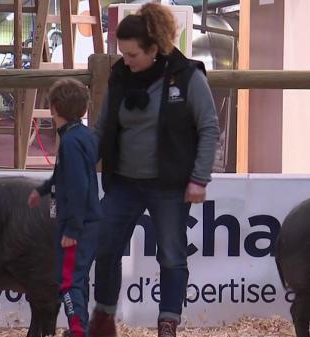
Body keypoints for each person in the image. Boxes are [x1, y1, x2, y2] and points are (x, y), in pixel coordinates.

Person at [89, 3, 220, 337]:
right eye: (123, 54)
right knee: (105, 249)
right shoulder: (119, 76)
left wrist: (199, 179)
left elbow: (208, 128)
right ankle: (103, 318)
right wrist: (80, 166)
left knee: (172, 256)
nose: (126, 60)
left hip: (170, 186)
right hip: (122, 184)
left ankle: (168, 322)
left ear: (153, 49)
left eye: (132, 54)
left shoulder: (188, 76)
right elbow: (102, 127)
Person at [28, 78, 103, 337]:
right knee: (79, 278)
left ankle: (77, 329)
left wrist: (71, 229)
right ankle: (80, 326)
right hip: (89, 222)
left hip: (76, 225)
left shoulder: (70, 143)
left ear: (54, 108)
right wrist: (43, 190)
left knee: (68, 281)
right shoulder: (83, 136)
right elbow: (66, 175)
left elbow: (79, 186)